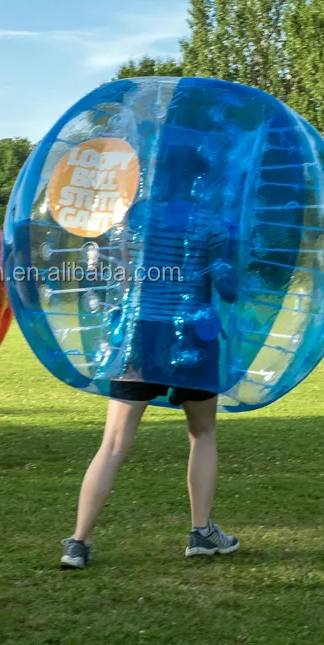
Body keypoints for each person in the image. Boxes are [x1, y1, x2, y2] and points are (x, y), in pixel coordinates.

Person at [60, 141, 240, 568]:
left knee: (113, 445)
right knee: (202, 434)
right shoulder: (211, 223)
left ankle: (78, 543)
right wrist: (227, 259)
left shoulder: (132, 222)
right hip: (193, 339)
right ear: (195, 177)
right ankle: (201, 532)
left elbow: (121, 282)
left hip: (139, 336)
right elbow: (229, 289)